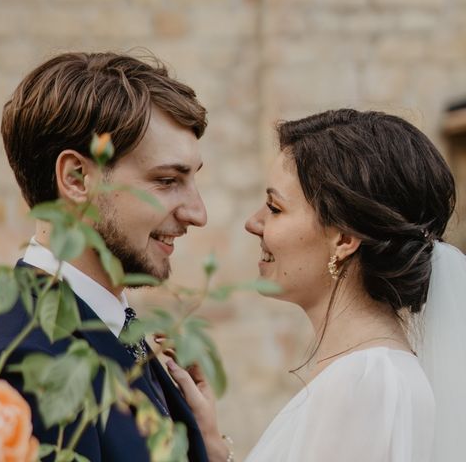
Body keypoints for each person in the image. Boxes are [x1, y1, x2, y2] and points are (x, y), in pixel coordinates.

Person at [165, 109, 465, 462]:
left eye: (274, 208)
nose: (253, 223)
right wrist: (214, 451)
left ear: (344, 238)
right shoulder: (361, 375)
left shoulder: (366, 383)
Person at [0, 52, 210, 461]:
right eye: (167, 181)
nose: (198, 213)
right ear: (76, 179)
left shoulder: (101, 323)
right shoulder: (31, 363)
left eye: (194, 178)